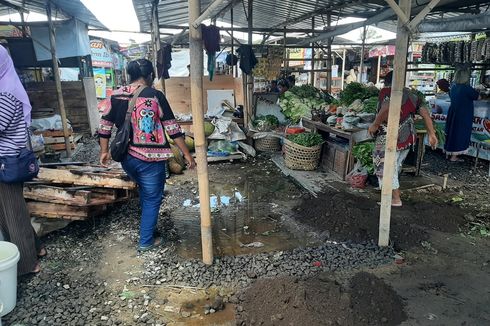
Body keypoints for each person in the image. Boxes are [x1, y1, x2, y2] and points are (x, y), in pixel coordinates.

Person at [99, 59, 196, 251]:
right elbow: (172, 128)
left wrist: (103, 151)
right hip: (150, 159)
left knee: (145, 191)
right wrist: (187, 155)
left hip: (126, 157)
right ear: (150, 75)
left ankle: (150, 228)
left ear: (129, 75)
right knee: (152, 198)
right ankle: (145, 242)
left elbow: (104, 126)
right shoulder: (155, 95)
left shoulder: (116, 95)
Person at [0, 45, 44, 274]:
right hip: (8, 158)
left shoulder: (5, 93)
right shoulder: (7, 87)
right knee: (12, 210)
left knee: (12, 214)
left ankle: (27, 264)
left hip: (5, 161)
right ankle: (36, 249)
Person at [368, 71, 438, 207]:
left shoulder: (387, 91)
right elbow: (425, 114)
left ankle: (394, 199)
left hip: (390, 136)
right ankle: (390, 195)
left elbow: (386, 106)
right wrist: (432, 134)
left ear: (387, 82)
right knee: (395, 166)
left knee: (385, 167)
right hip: (407, 137)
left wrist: (375, 124)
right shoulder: (412, 95)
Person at [444, 67, 479, 162]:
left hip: (454, 112)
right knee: (460, 134)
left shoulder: (454, 87)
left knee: (452, 133)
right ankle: (454, 157)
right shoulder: (466, 88)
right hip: (463, 114)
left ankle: (449, 153)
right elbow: (477, 96)